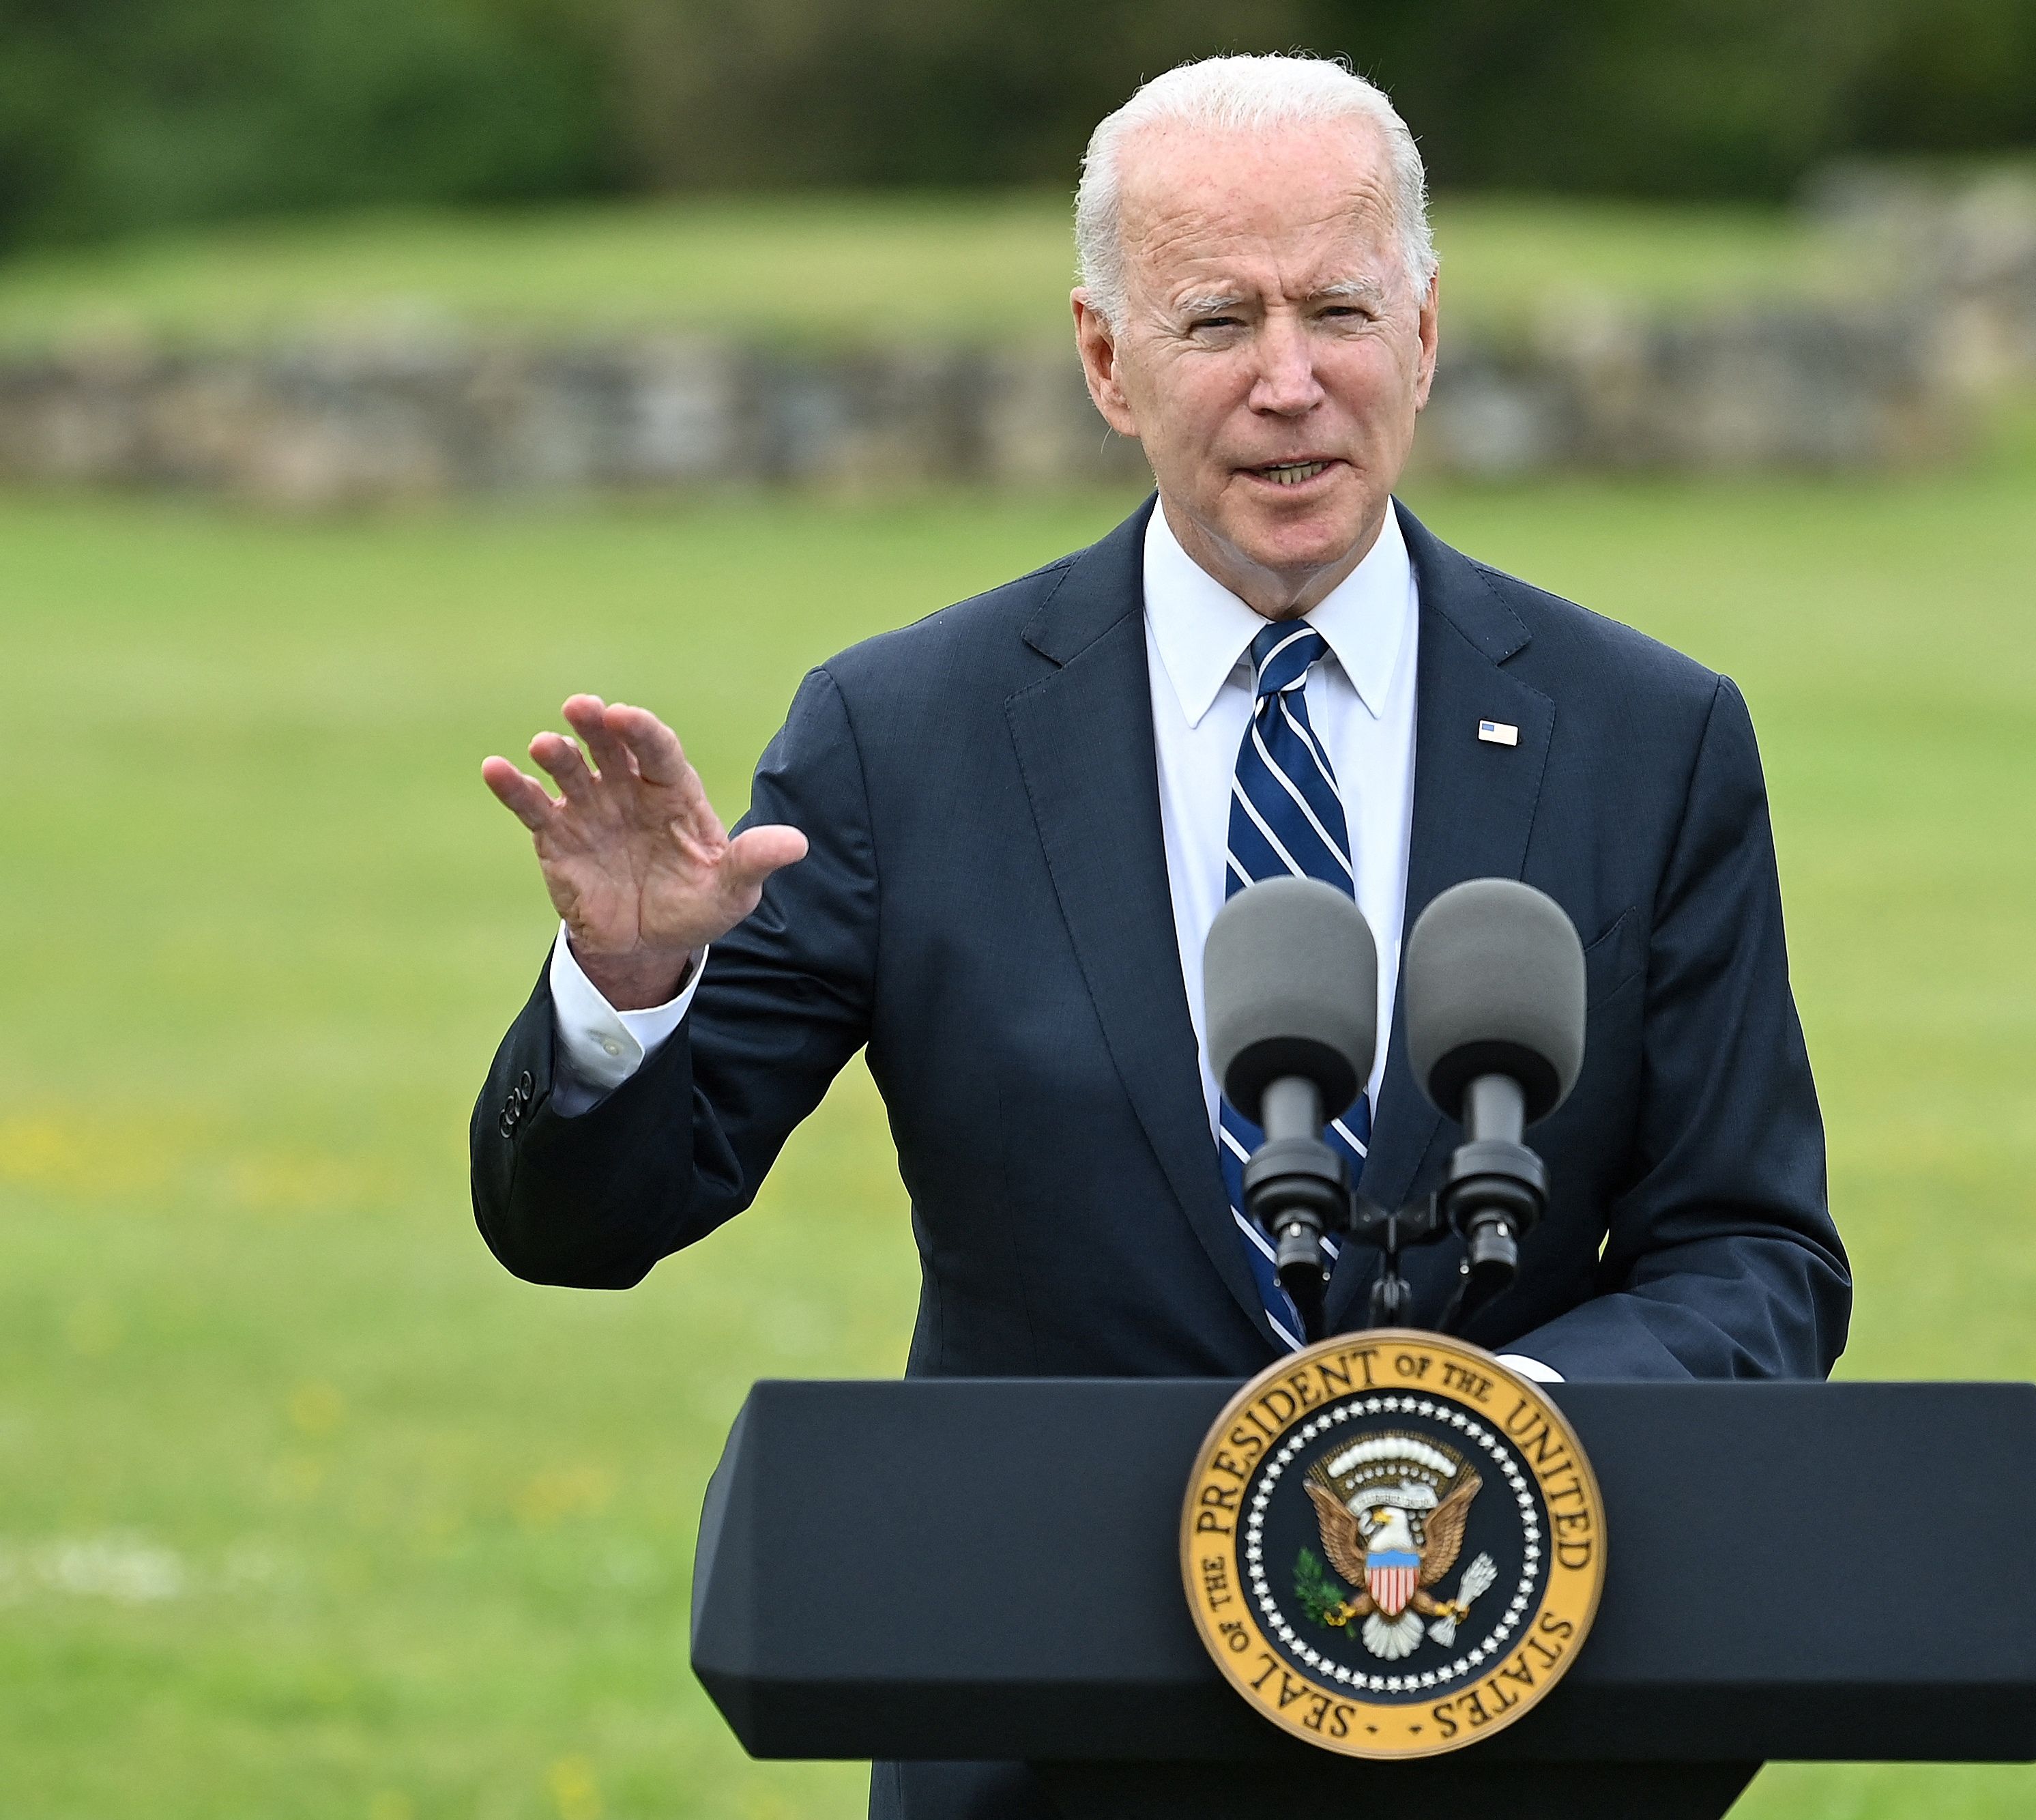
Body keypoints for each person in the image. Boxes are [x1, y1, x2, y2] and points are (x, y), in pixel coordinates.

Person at [471, 53, 1848, 1819]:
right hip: (1046, 1748)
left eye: (1340, 309)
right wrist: (629, 987)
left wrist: (1483, 1417)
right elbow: (590, 1225)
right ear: (1108, 361)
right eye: (1220, 321)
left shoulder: (1646, 736)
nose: (1292, 383)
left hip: (1519, 1738)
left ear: (1424, 333)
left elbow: (1757, 1259)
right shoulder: (907, 733)